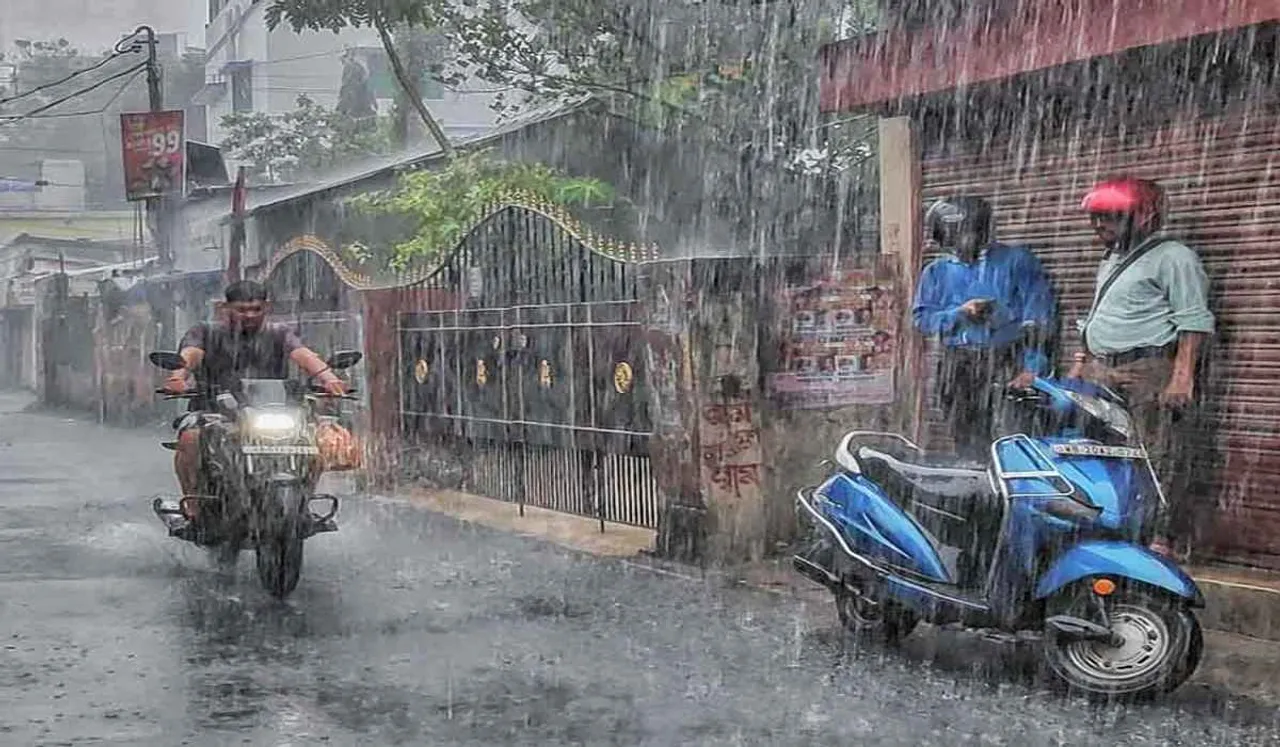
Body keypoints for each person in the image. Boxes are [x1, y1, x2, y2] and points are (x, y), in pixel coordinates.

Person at [1067, 177, 1214, 559]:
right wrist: (1081, 363)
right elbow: (1099, 314)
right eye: (1096, 218)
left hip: (1146, 369)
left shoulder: (1175, 257)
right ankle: (1121, 528)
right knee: (1109, 450)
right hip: (1103, 370)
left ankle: (1161, 539)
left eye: (1111, 218)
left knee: (1158, 453)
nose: (1100, 226)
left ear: (1143, 217)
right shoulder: (1112, 257)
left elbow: (1193, 321)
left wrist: (1182, 376)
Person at [161, 280, 347, 536]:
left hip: (271, 409)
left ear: (266, 307)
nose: (249, 315)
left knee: (313, 440)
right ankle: (194, 507)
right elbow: (190, 355)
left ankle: (301, 502)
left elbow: (304, 355)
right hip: (214, 411)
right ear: (225, 308)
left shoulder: (279, 333)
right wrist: (177, 378)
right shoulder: (204, 332)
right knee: (191, 438)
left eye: (256, 309)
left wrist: (329, 379)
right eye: (242, 309)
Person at [912, 196, 1057, 462]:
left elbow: (1039, 316)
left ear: (981, 230)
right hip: (958, 364)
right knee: (967, 440)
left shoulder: (1016, 261)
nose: (959, 241)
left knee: (1017, 439)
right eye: (951, 235)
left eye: (964, 233)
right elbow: (922, 319)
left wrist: (1032, 367)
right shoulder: (936, 271)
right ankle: (981, 491)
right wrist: (959, 313)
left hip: (1006, 359)